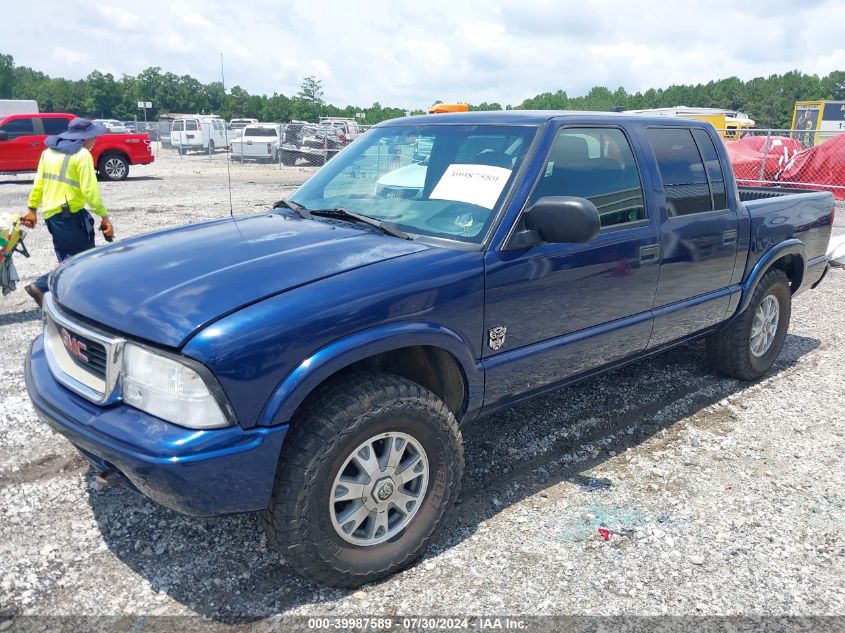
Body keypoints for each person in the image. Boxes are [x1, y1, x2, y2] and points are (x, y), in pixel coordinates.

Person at [20, 118, 115, 307]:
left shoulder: (48, 153)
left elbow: (39, 183)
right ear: (84, 138)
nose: (95, 140)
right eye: (93, 137)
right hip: (69, 215)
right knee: (81, 260)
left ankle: (68, 300)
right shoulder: (81, 156)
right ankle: (41, 286)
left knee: (67, 258)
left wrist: (32, 208)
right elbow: (90, 190)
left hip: (52, 216)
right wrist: (104, 216)